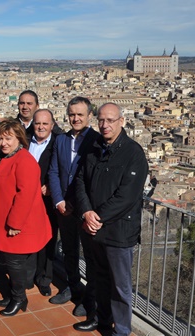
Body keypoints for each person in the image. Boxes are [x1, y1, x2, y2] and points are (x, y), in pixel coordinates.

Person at [73, 103, 148, 334]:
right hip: (94, 228)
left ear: (122, 121)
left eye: (110, 120)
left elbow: (127, 196)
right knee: (100, 279)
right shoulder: (93, 147)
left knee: (120, 286)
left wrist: (98, 216)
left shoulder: (134, 153)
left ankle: (122, 331)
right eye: (101, 121)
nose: (105, 125)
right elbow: (79, 182)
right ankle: (102, 320)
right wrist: (86, 212)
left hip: (119, 231)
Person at [0, 120, 52, 317]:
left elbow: (25, 195)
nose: (3, 142)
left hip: (19, 222)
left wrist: (15, 223)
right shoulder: (7, 157)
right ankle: (13, 295)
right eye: (0, 138)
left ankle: (19, 298)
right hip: (8, 219)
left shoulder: (24, 160)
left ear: (19, 139)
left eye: (8, 138)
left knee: (15, 262)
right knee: (11, 261)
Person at [47, 97, 100, 318]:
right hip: (64, 208)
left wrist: (80, 204)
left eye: (80, 114)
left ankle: (90, 299)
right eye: (72, 114)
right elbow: (54, 172)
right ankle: (73, 287)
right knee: (69, 250)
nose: (75, 118)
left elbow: (95, 179)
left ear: (89, 116)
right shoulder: (61, 140)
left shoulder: (97, 141)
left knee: (89, 256)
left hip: (85, 208)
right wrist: (59, 201)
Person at [27, 109, 62, 297]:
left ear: (52, 126)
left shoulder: (58, 144)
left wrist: (50, 186)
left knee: (47, 239)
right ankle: (28, 275)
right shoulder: (24, 141)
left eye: (44, 124)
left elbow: (61, 170)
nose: (40, 127)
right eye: (37, 123)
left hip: (46, 201)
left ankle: (44, 279)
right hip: (26, 200)